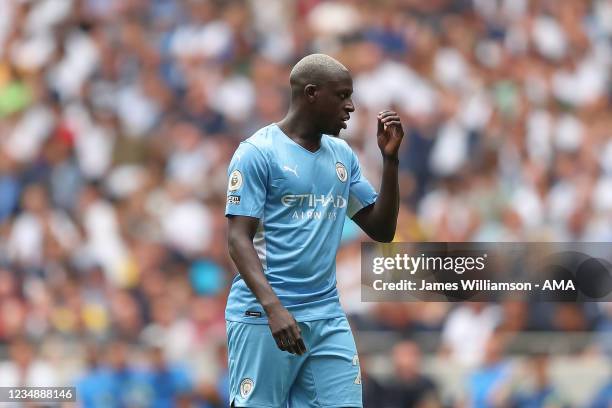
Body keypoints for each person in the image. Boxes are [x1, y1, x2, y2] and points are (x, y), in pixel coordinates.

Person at [225, 53, 404, 407]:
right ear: (311, 93)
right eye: (342, 96)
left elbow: (381, 230)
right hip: (266, 314)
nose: (351, 106)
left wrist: (391, 161)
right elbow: (237, 238)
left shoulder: (342, 156)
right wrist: (272, 308)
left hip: (326, 312)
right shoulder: (258, 153)